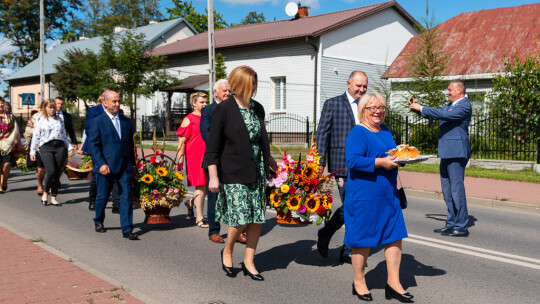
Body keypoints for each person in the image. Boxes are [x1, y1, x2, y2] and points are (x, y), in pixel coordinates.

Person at [206, 66, 277, 280]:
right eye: (249, 83)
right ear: (238, 84)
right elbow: (213, 147)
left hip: (257, 169)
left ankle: (249, 261)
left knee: (256, 218)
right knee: (239, 218)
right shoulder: (224, 109)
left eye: (255, 83)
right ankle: (227, 250)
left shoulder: (258, 109)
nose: (253, 87)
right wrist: (213, 175)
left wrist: (272, 161)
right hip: (233, 171)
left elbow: (262, 140)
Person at [345, 92, 412, 302]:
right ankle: (359, 281)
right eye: (372, 108)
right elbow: (352, 161)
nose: (377, 111)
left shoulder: (385, 131)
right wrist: (380, 163)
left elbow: (391, 154)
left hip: (388, 194)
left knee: (394, 237)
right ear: (363, 110)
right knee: (363, 241)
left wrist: (400, 159)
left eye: (381, 108)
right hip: (365, 197)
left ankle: (393, 283)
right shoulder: (358, 132)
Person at [315, 70, 369, 264]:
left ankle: (330, 236)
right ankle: (346, 249)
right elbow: (322, 134)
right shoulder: (333, 104)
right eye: (358, 86)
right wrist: (320, 163)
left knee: (357, 206)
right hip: (342, 165)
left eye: (364, 86)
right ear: (348, 84)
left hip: (365, 165)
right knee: (352, 206)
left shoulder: (369, 105)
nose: (362, 90)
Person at [409, 79, 472, 237]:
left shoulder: (464, 105)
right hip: (446, 152)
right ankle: (451, 223)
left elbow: (442, 114)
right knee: (447, 191)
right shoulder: (450, 106)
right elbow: (436, 114)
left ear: (459, 90)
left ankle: (461, 226)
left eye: (450, 90)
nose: (447, 92)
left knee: (456, 190)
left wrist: (421, 107)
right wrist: (416, 108)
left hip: (457, 152)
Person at [87, 90, 138, 240]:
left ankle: (127, 229)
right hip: (105, 167)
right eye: (114, 101)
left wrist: (133, 165)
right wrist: (101, 164)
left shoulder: (126, 122)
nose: (117, 104)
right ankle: (98, 220)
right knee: (102, 196)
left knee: (126, 197)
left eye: (118, 101)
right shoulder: (97, 121)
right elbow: (93, 145)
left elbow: (129, 146)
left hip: (123, 166)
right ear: (105, 103)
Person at [201, 79, 247, 244]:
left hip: (234, 160)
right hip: (216, 160)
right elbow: (206, 134)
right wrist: (226, 145)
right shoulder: (208, 110)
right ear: (215, 92)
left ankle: (239, 231)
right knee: (214, 196)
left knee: (237, 196)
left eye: (229, 91)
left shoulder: (237, 108)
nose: (228, 93)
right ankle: (214, 230)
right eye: (224, 91)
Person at [83, 88, 122, 213]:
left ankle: (117, 203)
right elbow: (88, 129)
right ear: (103, 99)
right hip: (98, 148)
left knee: (116, 175)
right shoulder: (94, 111)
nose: (116, 103)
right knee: (98, 175)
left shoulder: (118, 112)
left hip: (113, 149)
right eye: (113, 100)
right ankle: (93, 199)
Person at [30, 99, 75, 206]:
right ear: (45, 108)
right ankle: (45, 192)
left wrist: (70, 147)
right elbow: (36, 136)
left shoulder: (59, 119)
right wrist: (32, 151)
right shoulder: (40, 119)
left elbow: (64, 135)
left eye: (54, 107)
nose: (52, 109)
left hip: (60, 147)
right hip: (46, 147)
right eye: (50, 107)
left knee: (57, 172)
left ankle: (54, 196)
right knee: (50, 170)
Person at [176, 92, 209, 228]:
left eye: (206, 102)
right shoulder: (189, 119)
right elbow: (182, 141)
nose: (205, 104)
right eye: (201, 102)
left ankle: (190, 203)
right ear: (194, 103)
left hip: (208, 156)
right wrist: (180, 158)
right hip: (194, 157)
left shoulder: (209, 117)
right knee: (200, 186)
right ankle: (199, 217)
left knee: (206, 186)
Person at [0, 97, 22, 193]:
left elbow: (16, 130)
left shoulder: (10, 117)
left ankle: (4, 180)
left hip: (7, 143)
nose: (1, 105)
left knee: (7, 164)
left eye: (2, 103)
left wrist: (19, 143)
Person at [25, 104, 47, 196]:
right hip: (38, 145)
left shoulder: (54, 117)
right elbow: (28, 130)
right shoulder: (35, 117)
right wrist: (38, 131)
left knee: (51, 168)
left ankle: (49, 185)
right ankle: (40, 185)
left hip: (51, 145)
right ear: (42, 108)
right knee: (40, 168)